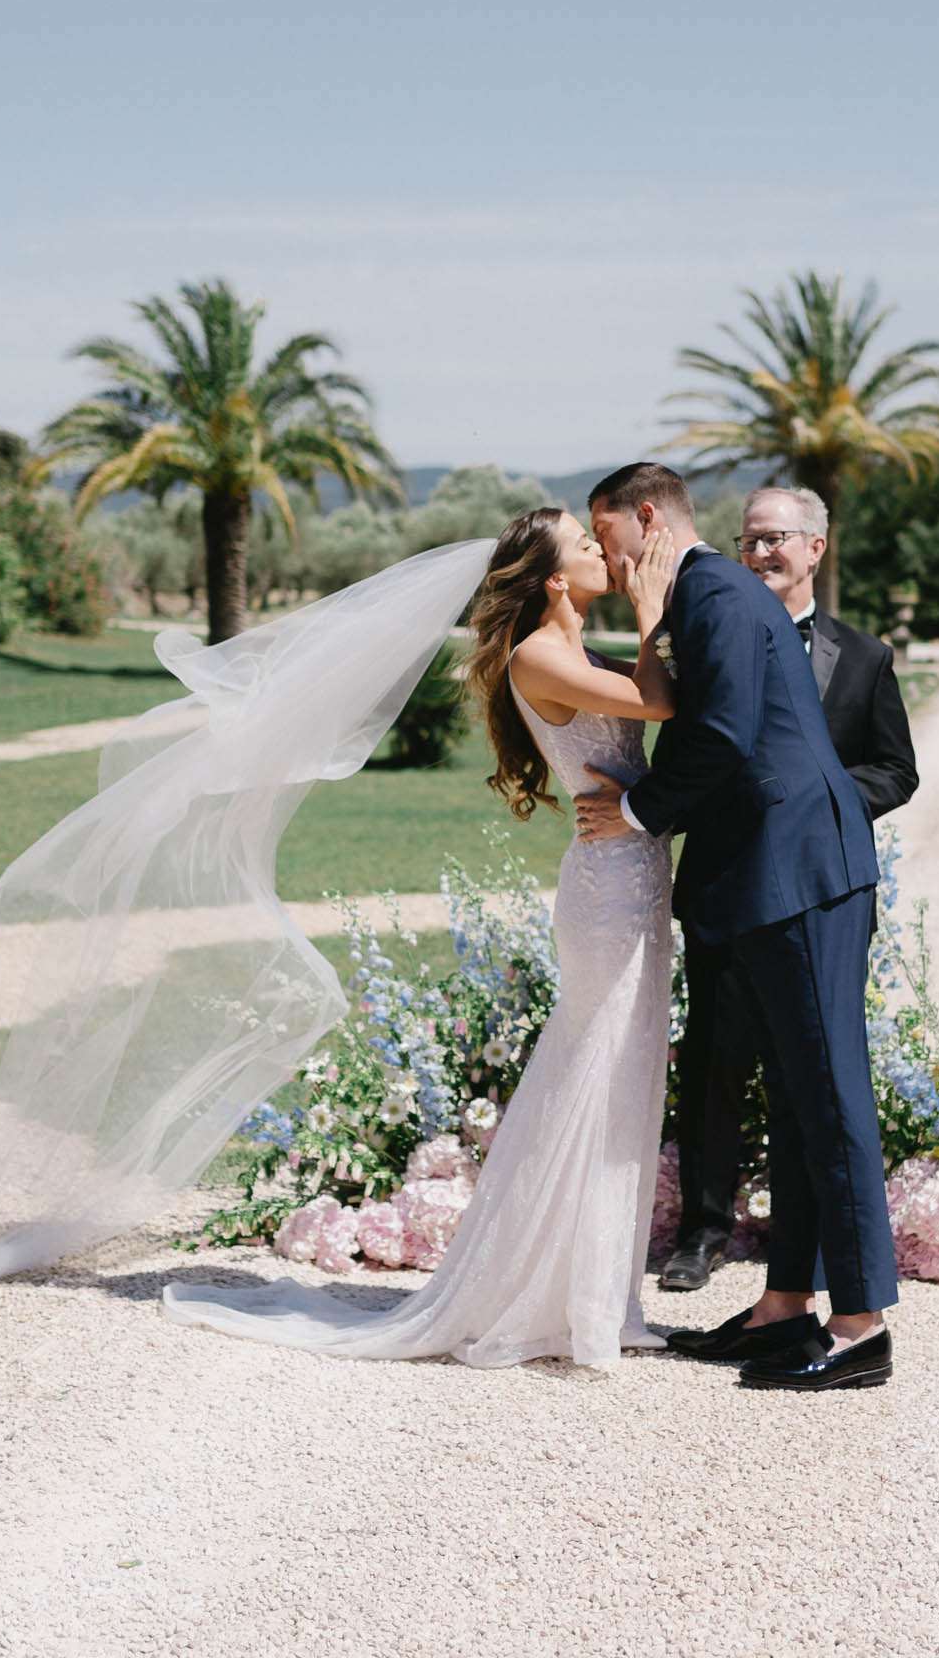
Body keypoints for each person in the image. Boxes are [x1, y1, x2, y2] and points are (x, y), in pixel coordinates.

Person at [159, 509, 684, 1367]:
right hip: (607, 892)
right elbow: (661, 699)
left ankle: (588, 1292)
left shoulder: (575, 650)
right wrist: (655, 598)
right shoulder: (540, 657)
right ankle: (546, 1294)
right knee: (593, 1071)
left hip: (631, 877)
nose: (603, 553)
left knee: (622, 1075)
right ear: (554, 579)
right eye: (586, 547)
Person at [578, 463, 899, 1393]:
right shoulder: (710, 593)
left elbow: (718, 734)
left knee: (830, 1098)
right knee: (801, 1103)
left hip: (796, 876)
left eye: (609, 539)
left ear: (647, 518)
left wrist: (636, 813)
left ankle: (860, 1326)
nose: (609, 557)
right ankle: (783, 1308)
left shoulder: (714, 594)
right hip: (779, 876)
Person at [659, 484, 918, 1294]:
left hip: (808, 882)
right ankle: (702, 1230)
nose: (762, 553)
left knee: (810, 1071)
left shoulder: (865, 656)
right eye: (749, 541)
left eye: (777, 539)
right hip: (723, 878)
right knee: (712, 1057)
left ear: (816, 547)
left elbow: (896, 770)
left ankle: (801, 1267)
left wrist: (816, 798)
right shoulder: (705, 636)